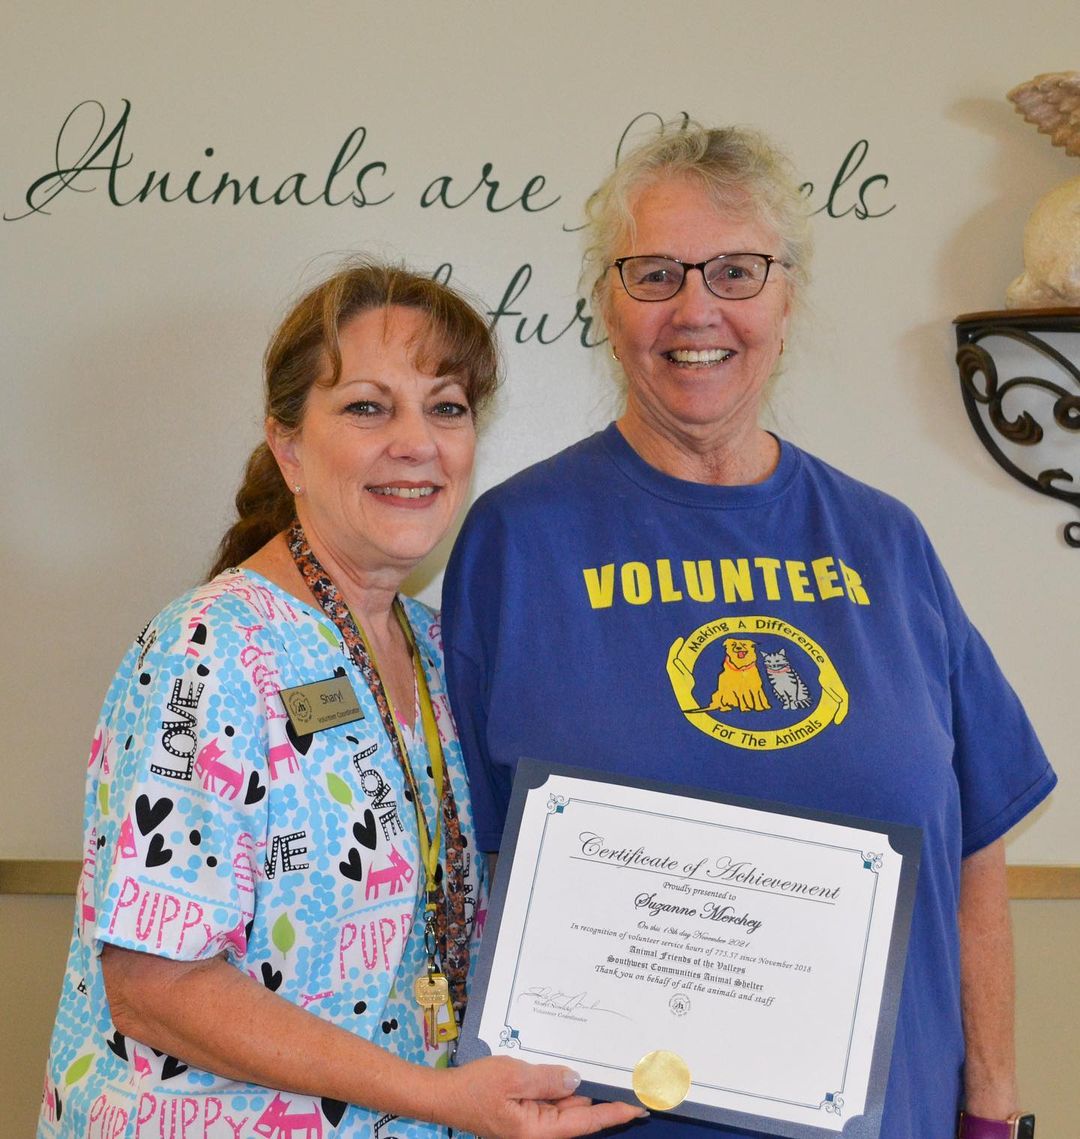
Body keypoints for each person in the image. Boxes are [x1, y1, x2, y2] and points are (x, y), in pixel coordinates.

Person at [441, 126, 1057, 1139]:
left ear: (785, 299)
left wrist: (992, 1108)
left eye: (737, 270)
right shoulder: (516, 542)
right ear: (606, 300)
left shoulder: (885, 544)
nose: (697, 308)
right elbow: (457, 863)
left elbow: (975, 843)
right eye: (655, 273)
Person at [38, 260, 646, 1139]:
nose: (417, 442)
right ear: (288, 444)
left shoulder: (437, 652)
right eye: (368, 406)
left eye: (447, 407)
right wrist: (438, 1096)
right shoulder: (208, 653)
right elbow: (155, 987)